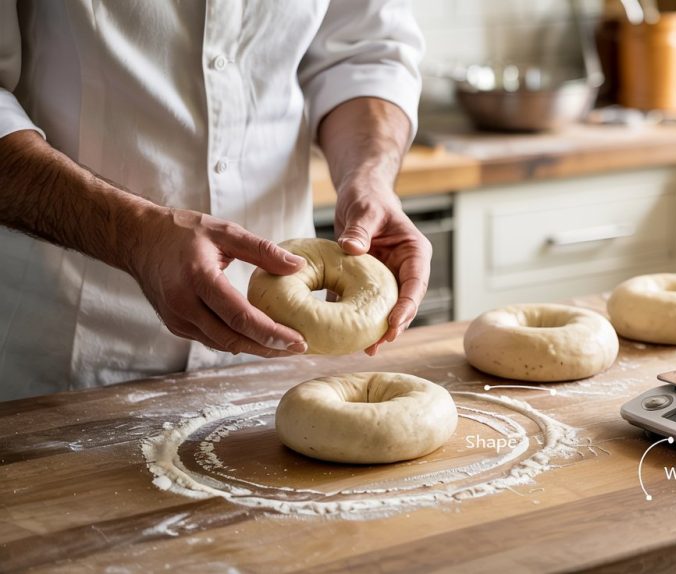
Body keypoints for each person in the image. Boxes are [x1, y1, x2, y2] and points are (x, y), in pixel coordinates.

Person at [0, 1, 431, 400]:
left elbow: (363, 52)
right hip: (68, 350)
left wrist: (369, 176)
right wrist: (131, 235)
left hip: (279, 359)